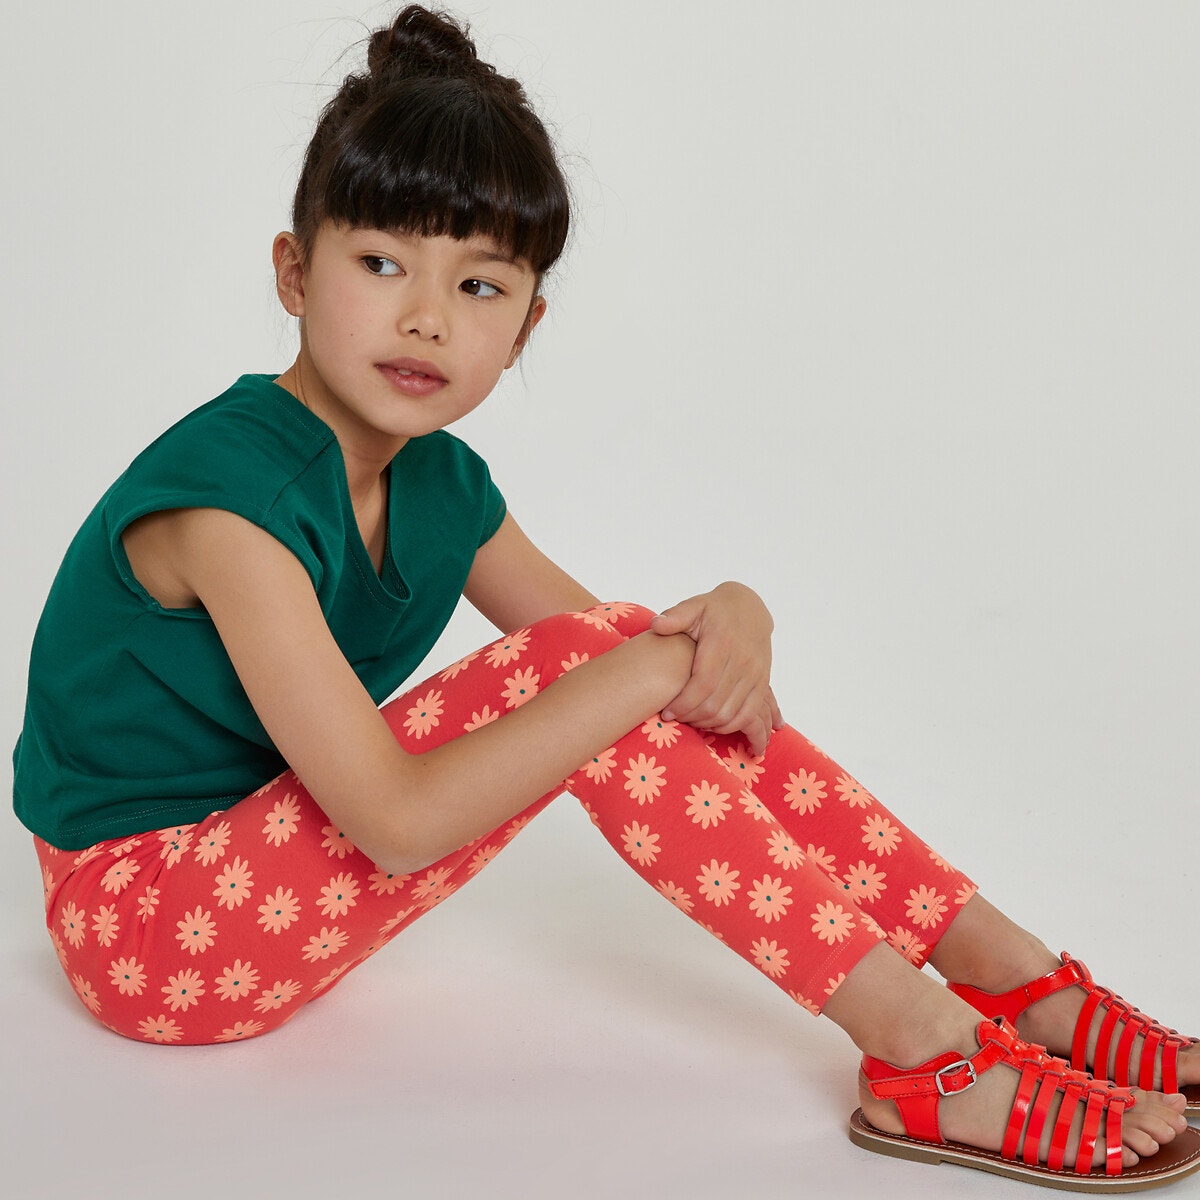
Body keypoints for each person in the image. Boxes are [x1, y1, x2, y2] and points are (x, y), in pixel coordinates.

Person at [11, 4, 1198, 1190]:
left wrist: (731, 610)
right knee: (611, 671)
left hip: (260, 878)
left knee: (622, 667)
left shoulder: (439, 484)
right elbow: (399, 822)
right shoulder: (228, 504)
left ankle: (1007, 976)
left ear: (527, 325)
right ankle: (926, 1046)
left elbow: (623, 670)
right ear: (292, 269)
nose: (426, 316)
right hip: (148, 932)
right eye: (380, 264)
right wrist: (652, 660)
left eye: (481, 285)